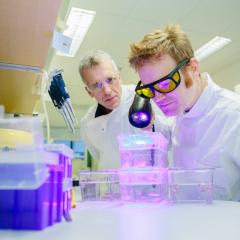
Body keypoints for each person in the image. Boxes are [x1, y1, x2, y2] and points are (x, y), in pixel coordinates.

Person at [128, 24, 240, 201]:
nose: (158, 98)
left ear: (192, 68)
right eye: (150, 89)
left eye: (165, 84)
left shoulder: (234, 116)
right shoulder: (177, 116)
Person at [79, 50, 170, 169]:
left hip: (150, 184)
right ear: (89, 91)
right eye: (97, 85)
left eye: (110, 80)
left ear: (119, 76)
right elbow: (99, 156)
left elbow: (169, 138)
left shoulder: (144, 98)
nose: (107, 91)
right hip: (113, 185)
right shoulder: (87, 124)